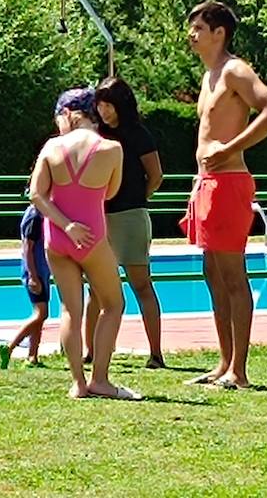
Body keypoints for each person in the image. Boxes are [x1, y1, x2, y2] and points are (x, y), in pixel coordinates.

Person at [181, 1, 267, 389]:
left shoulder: (235, 70)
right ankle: (224, 363)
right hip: (207, 184)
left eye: (198, 28)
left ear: (218, 32)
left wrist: (228, 150)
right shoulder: (209, 76)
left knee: (232, 276)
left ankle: (239, 370)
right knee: (213, 275)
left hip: (229, 182)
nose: (191, 35)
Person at [29, 87, 140, 400]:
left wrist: (66, 224)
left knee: (70, 310)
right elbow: (111, 192)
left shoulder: (52, 147)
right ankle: (100, 379)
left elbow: (36, 195)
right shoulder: (112, 149)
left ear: (68, 114)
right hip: (91, 237)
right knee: (114, 303)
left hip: (57, 237)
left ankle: (78, 383)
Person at [82, 76, 166, 369]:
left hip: (131, 217)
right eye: (100, 104)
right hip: (99, 217)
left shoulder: (139, 134)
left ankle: (156, 353)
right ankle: (91, 351)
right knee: (94, 288)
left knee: (141, 285)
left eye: (109, 104)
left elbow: (156, 175)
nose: (104, 111)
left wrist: (137, 197)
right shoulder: (96, 135)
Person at [0, 204, 50, 369]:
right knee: (41, 314)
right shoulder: (34, 216)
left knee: (39, 316)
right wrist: (33, 276)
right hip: (34, 273)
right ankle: (9, 347)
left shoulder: (42, 214)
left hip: (42, 272)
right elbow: (28, 248)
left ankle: (32, 356)